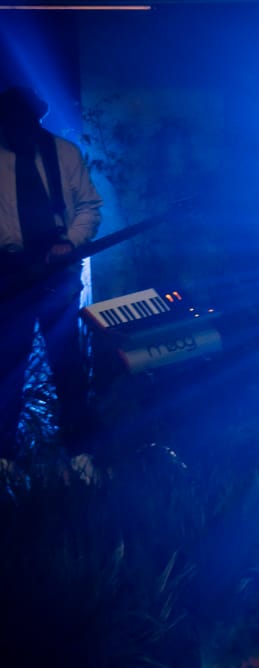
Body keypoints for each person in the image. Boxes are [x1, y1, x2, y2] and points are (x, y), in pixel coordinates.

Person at [0, 85, 103, 472]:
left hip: (58, 272)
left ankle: (80, 454)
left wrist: (69, 242)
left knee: (67, 362)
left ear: (34, 119)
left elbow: (89, 208)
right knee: (8, 363)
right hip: (10, 273)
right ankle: (4, 460)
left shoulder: (63, 153)